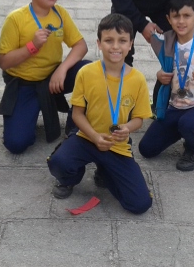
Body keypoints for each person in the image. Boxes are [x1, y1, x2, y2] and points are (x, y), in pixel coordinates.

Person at [47, 13, 153, 214]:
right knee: (59, 162)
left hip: (116, 144)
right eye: (109, 40)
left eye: (122, 41)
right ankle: (69, 179)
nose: (115, 47)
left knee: (140, 204)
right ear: (99, 43)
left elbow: (139, 118)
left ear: (130, 44)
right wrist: (94, 136)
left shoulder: (137, 79)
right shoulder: (86, 73)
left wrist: (127, 128)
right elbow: (77, 114)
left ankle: (106, 170)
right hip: (87, 136)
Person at [0, 0, 89, 154]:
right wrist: (32, 46)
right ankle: (31, 109)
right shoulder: (16, 19)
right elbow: (4, 62)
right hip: (24, 84)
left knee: (88, 71)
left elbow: (81, 45)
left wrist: (62, 70)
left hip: (53, 79)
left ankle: (75, 125)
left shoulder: (59, 13)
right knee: (16, 144)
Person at [139, 0, 194, 171]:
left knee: (188, 124)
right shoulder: (168, 43)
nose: (181, 21)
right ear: (169, 20)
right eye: (176, 16)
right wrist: (160, 74)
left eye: (187, 16)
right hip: (176, 105)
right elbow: (165, 70)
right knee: (146, 149)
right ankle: (183, 129)